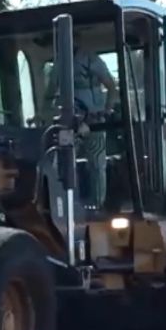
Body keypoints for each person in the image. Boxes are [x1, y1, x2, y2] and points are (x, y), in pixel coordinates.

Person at [45, 34, 118, 209]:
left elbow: (111, 86)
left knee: (97, 162)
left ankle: (98, 204)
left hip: (94, 121)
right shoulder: (58, 66)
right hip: (69, 124)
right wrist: (43, 114)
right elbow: (49, 94)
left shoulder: (92, 60)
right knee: (62, 162)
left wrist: (106, 111)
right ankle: (65, 204)